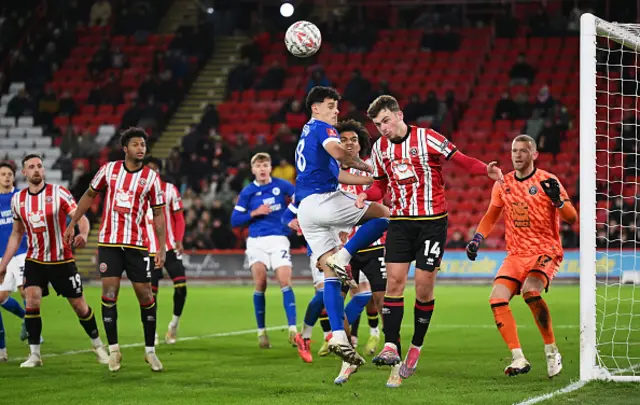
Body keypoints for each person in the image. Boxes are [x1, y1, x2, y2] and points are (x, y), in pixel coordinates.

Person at [359, 95, 503, 387]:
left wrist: (484, 170)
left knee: (424, 289)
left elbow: (461, 160)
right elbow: (379, 185)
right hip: (400, 222)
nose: (382, 128)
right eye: (377, 124)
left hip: (431, 223)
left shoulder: (427, 138)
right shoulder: (379, 148)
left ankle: (416, 345)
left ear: (399, 115)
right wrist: (366, 194)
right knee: (394, 284)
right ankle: (391, 346)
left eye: (385, 120)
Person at [294, 86, 390, 371]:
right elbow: (342, 156)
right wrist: (369, 168)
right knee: (384, 215)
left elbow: (339, 173)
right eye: (331, 105)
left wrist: (367, 180)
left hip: (307, 211)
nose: (336, 111)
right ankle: (345, 255)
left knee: (330, 276)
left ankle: (337, 335)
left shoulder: (306, 132)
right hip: (325, 201)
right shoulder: (323, 129)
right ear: (316, 108)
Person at [465, 134, 577, 378]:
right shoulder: (503, 183)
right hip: (516, 254)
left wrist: (558, 201)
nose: (517, 155)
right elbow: (490, 216)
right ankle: (518, 358)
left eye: (523, 151)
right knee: (496, 299)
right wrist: (477, 238)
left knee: (530, 291)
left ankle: (551, 350)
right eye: (514, 150)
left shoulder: (548, 181)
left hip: (545, 251)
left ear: (534, 154)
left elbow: (572, 218)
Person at [65, 128, 166, 372]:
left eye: (143, 144)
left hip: (138, 245)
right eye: (135, 144)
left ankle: (150, 351)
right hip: (109, 243)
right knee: (109, 293)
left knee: (145, 295)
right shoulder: (109, 170)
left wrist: (161, 247)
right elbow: (89, 196)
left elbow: (159, 214)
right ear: (125, 148)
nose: (141, 148)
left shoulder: (151, 178)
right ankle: (114, 350)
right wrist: (73, 223)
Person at [0, 154, 109, 368]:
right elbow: (16, 234)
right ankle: (35, 355)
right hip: (35, 260)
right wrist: (3, 266)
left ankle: (98, 346)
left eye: (39, 166)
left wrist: (84, 234)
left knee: (79, 306)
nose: (36, 170)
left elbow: (81, 217)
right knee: (32, 301)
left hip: (61, 260)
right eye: (31, 167)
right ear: (24, 173)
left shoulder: (58, 193)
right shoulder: (18, 200)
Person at [230, 152, 298, 348]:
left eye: (265, 165)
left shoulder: (282, 185)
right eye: (258, 165)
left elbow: (300, 198)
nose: (262, 168)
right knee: (260, 283)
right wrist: (254, 213)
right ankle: (262, 332)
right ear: (253, 170)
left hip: (279, 239)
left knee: (285, 281)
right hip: (257, 241)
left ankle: (293, 329)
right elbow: (235, 221)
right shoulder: (248, 192)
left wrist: (294, 217)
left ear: (270, 168)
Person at [142, 157, 187, 345]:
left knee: (181, 288)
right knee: (151, 294)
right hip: (149, 250)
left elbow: (179, 218)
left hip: (168, 247)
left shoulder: (170, 190)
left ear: (159, 171)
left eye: (154, 169)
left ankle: (173, 326)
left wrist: (178, 239)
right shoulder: (139, 193)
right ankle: (152, 333)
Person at [0, 162, 29, 360]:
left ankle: (34, 346)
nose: (6, 177)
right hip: (1, 255)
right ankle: (2, 348)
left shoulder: (20, 197)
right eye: (2, 174)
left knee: (26, 290)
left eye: (9, 174)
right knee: (0, 298)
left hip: (21, 252)